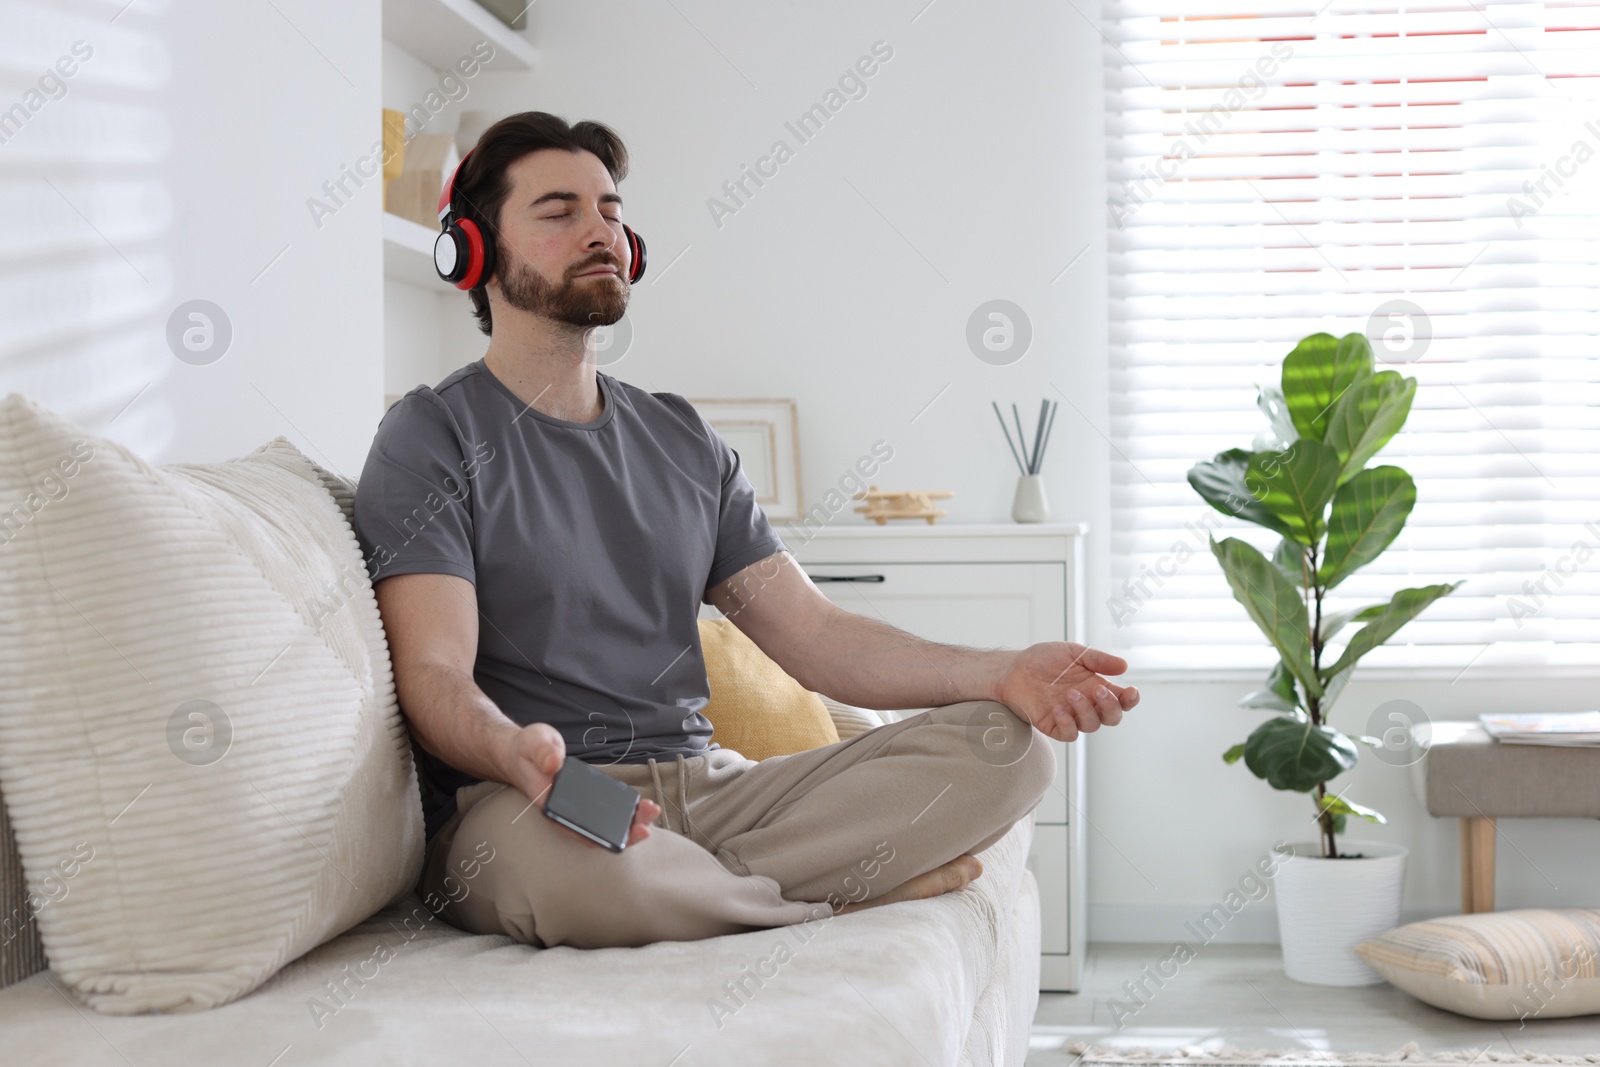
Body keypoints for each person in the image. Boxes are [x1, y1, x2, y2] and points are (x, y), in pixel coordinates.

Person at [352, 111, 1139, 951]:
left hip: (712, 786)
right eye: (560, 211)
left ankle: (709, 885)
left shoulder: (683, 440)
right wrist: (511, 749)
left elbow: (817, 635)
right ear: (472, 251)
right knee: (581, 874)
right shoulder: (431, 435)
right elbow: (433, 673)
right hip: (533, 801)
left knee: (1008, 751)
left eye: (613, 211)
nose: (601, 232)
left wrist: (1003, 671)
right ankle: (832, 895)